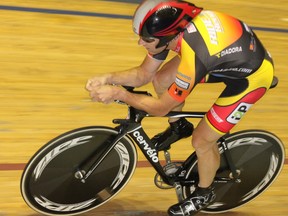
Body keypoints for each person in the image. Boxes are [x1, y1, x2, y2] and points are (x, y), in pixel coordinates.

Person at [85, 0, 275, 215]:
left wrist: (120, 93)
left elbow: (161, 108)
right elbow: (144, 75)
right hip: (225, 56)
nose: (140, 43)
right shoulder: (173, 32)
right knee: (161, 80)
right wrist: (107, 77)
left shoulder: (195, 55)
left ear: (168, 36)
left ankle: (205, 192)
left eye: (147, 39)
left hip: (251, 78)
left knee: (202, 140)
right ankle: (179, 127)